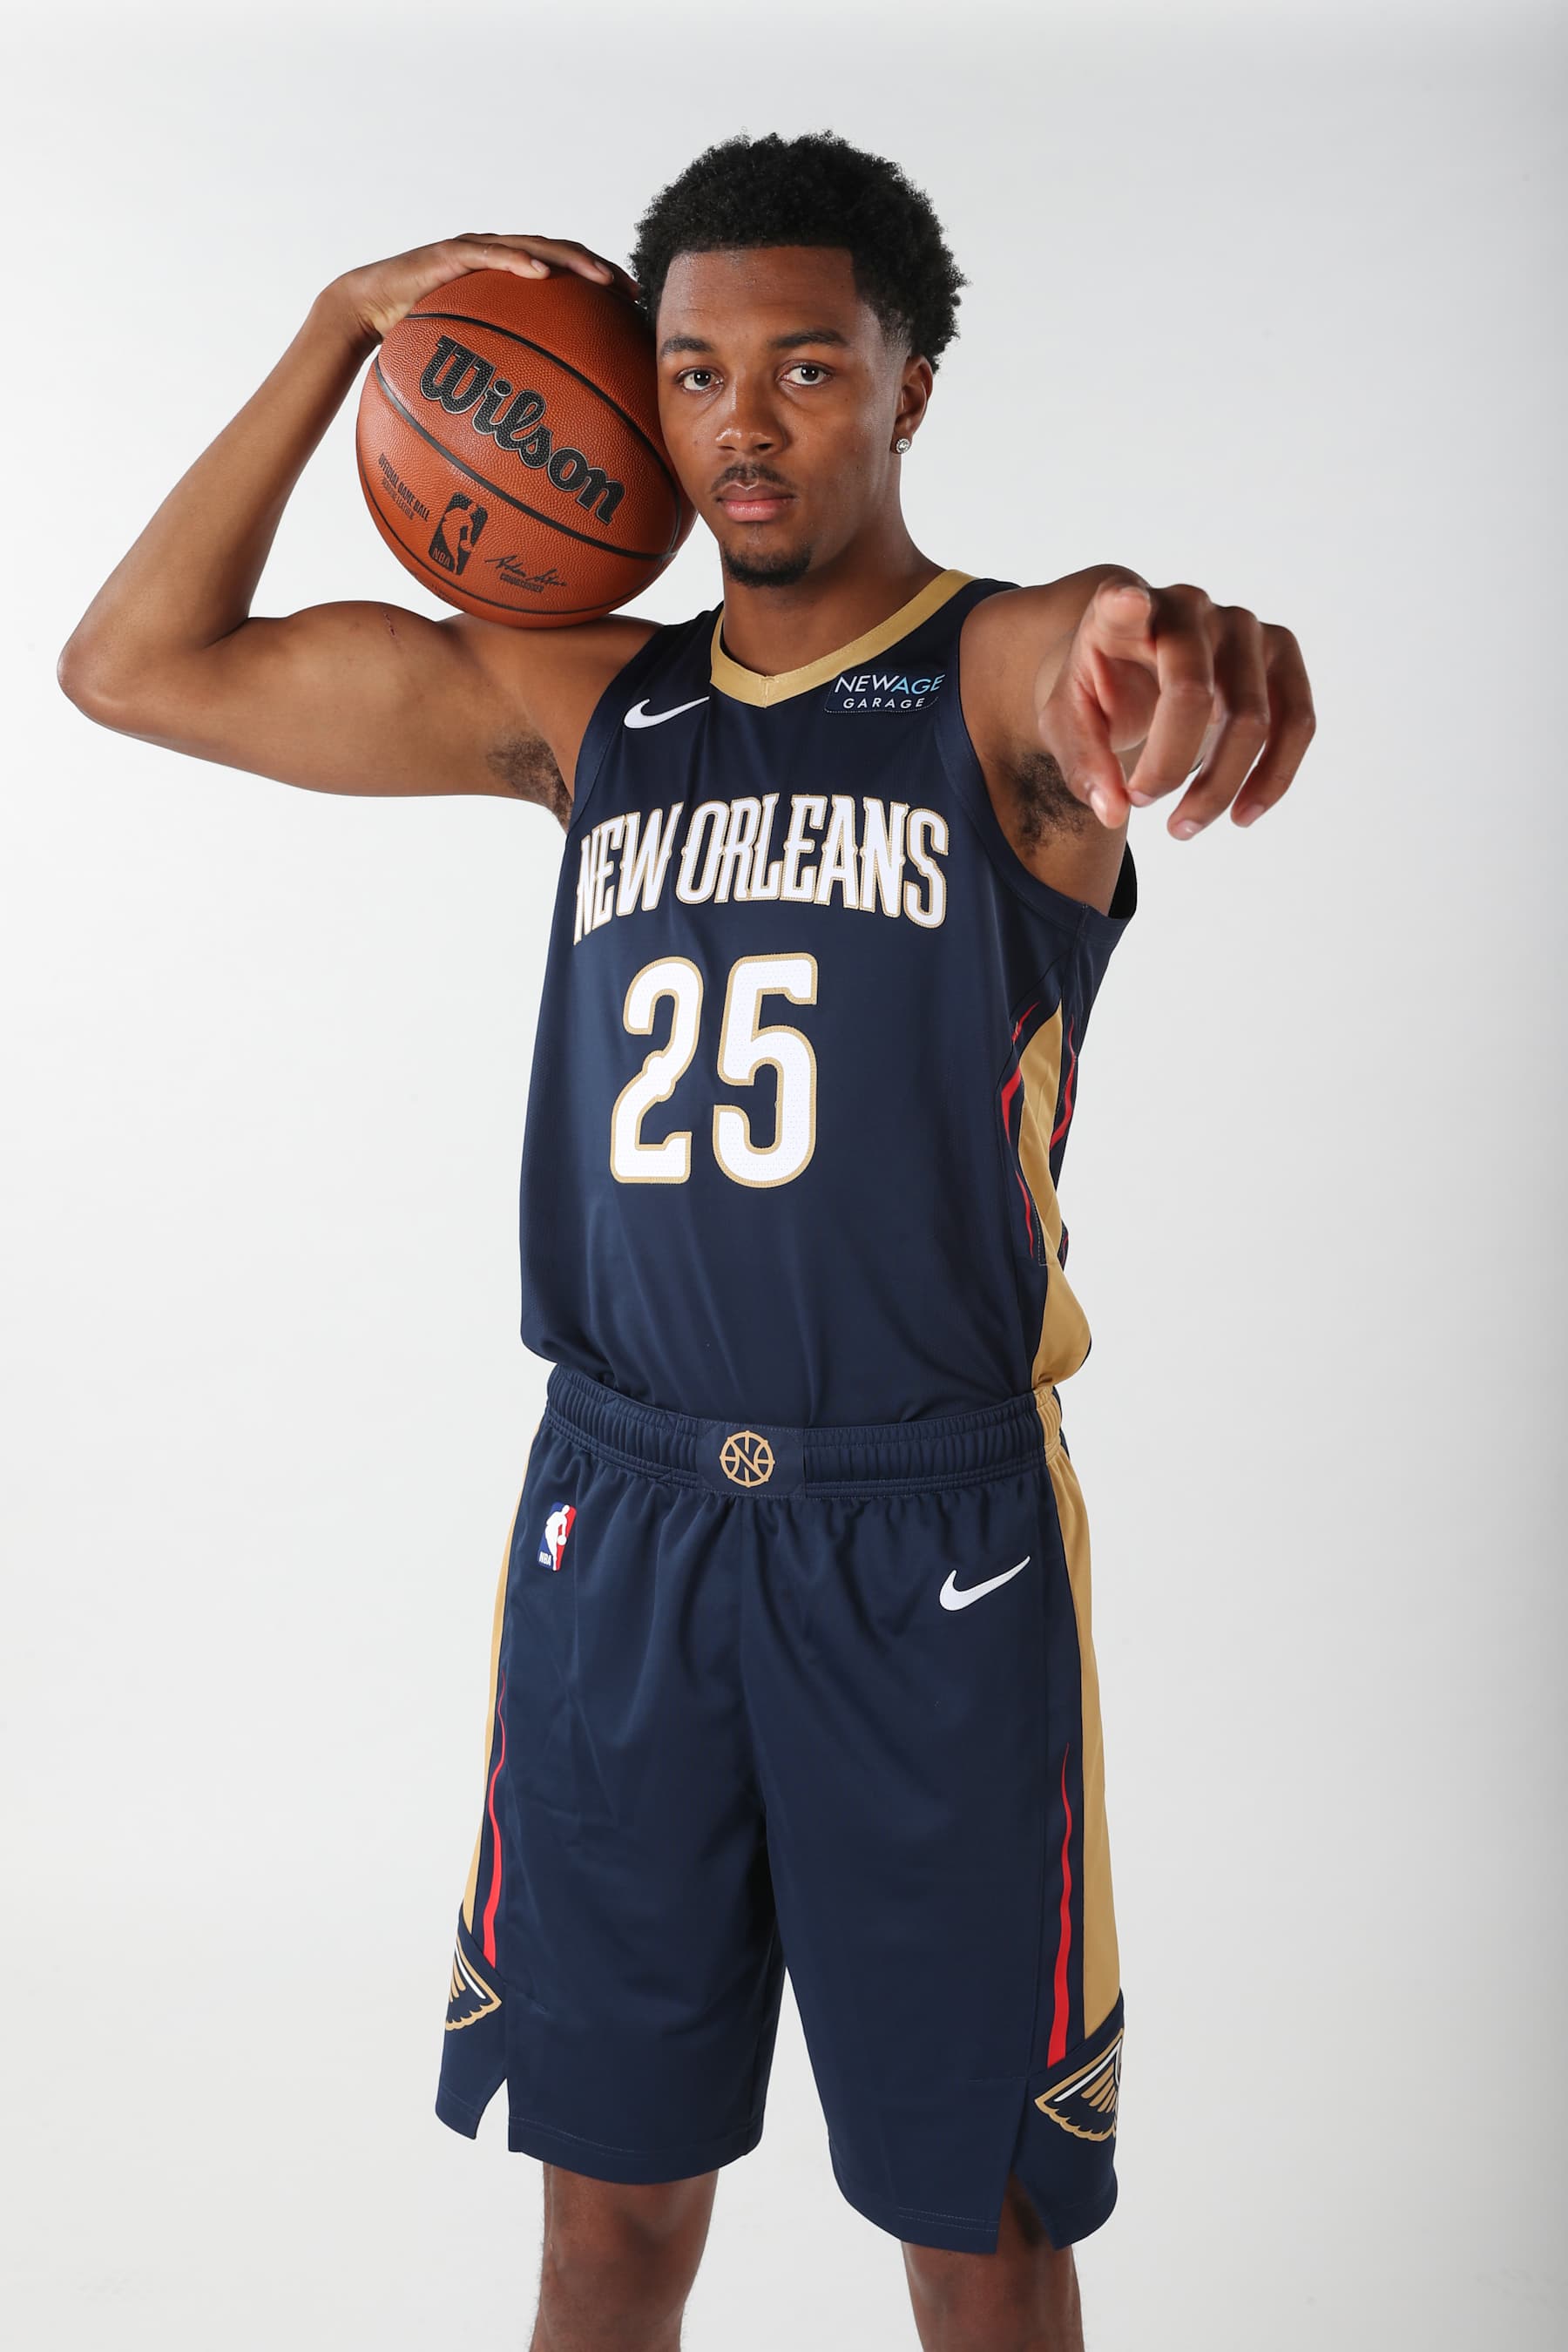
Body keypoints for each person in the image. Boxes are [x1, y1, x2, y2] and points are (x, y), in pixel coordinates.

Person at [60, 128, 1314, 2352]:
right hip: (618, 1528)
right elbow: (133, 664)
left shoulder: (995, 691)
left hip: (926, 1549)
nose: (746, 421)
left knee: (980, 2231)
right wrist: (342, 326)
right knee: (608, 2230)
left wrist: (1168, 643)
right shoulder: (593, 708)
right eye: (696, 370)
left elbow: (1097, 643)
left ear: (911, 386)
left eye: (809, 367)